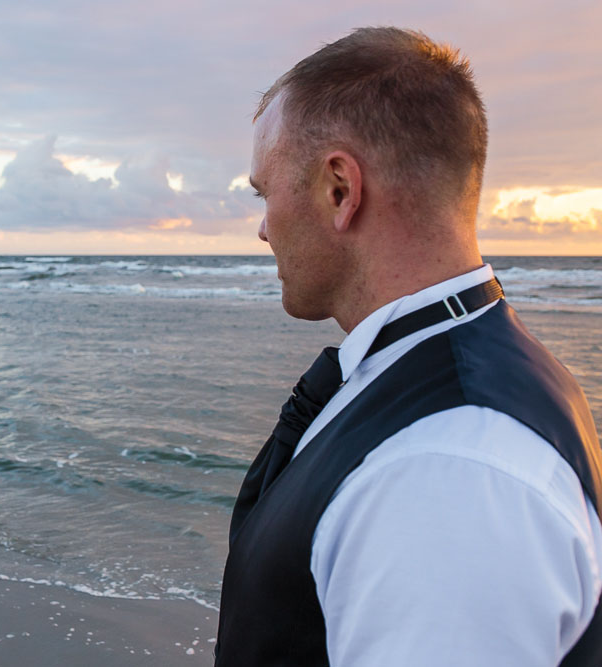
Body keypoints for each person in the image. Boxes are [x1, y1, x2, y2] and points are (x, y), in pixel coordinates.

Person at [215, 27, 602, 666]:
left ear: (340, 189)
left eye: (265, 192)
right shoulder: (434, 370)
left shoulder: (447, 472)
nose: (261, 228)